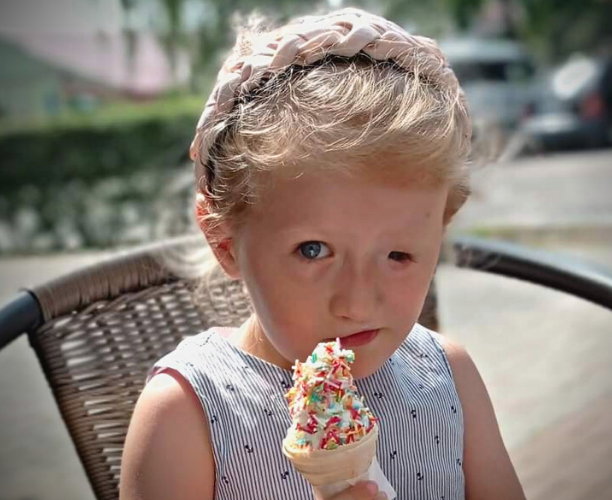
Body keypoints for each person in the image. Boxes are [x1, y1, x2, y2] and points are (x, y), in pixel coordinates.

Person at [119, 7, 526, 500]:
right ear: (225, 243)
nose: (357, 301)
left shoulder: (448, 377)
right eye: (313, 251)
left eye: (398, 255)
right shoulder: (186, 412)